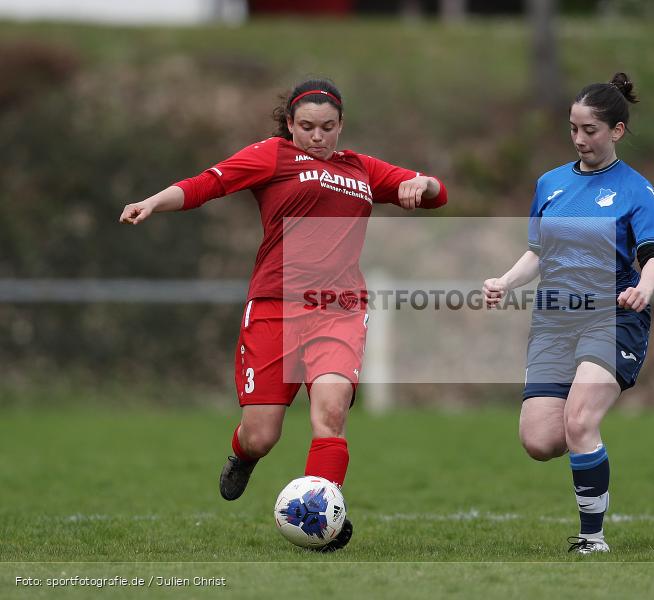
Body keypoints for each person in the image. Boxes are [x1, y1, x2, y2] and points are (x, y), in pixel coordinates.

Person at [119, 78, 448, 552]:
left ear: (341, 126)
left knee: (331, 412)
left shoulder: (362, 169)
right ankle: (242, 454)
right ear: (290, 125)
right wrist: (154, 201)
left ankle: (320, 517)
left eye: (328, 127)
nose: (318, 136)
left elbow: (437, 195)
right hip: (276, 308)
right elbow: (206, 184)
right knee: (261, 434)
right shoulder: (271, 156)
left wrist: (425, 183)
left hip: (339, 309)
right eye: (308, 127)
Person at [483, 73, 654, 554]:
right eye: (573, 129)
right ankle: (586, 445)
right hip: (554, 322)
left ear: (617, 131)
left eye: (590, 130)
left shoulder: (636, 190)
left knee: (580, 421)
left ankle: (592, 539)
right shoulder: (551, 183)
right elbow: (540, 252)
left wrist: (643, 290)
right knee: (541, 440)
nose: (580, 139)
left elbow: (652, 256)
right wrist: (505, 280)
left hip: (612, 315)